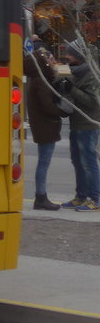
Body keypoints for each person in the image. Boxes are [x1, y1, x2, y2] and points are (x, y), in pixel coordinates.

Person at [23, 40, 71, 210]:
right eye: (49, 59)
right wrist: (63, 112)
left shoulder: (37, 79)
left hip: (43, 125)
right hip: (46, 126)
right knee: (44, 162)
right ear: (43, 62)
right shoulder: (41, 81)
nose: (52, 62)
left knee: (44, 161)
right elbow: (48, 106)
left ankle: (41, 196)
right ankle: (41, 197)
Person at [61, 45, 100, 211]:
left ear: (79, 56)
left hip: (88, 125)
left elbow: (93, 102)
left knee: (88, 163)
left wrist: (72, 89)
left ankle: (96, 199)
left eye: (69, 54)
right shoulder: (77, 72)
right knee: (77, 161)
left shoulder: (91, 74)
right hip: (76, 124)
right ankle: (81, 196)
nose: (66, 56)